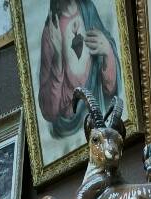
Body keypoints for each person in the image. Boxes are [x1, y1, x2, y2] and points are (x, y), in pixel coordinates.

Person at [37, 0, 121, 140]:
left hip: (100, 119)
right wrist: (57, 59)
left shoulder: (88, 10)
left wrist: (107, 50)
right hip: (70, 129)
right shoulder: (51, 30)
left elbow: (110, 89)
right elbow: (49, 111)